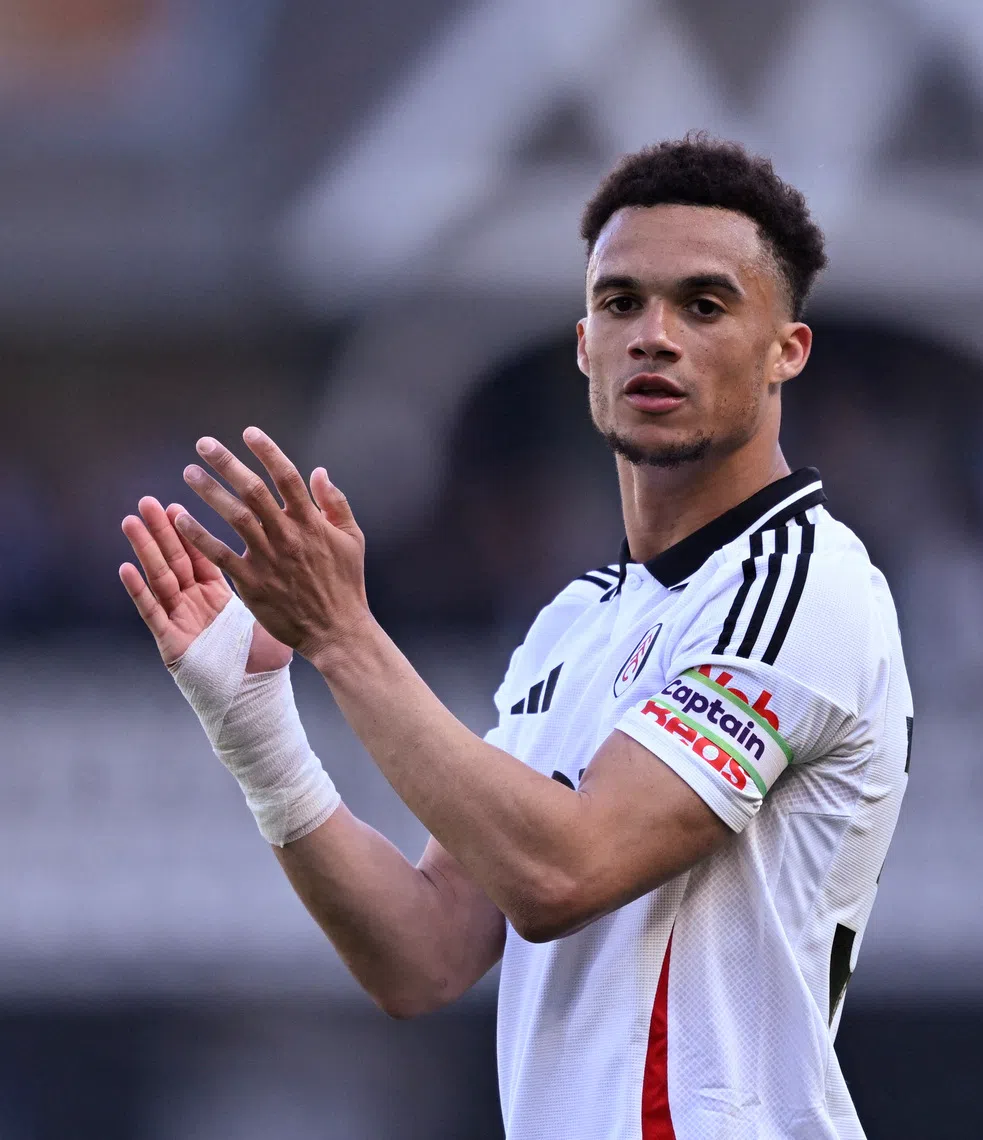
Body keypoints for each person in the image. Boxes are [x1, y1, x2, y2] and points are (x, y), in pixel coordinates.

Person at [119, 136, 912, 1139]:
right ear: (585, 344)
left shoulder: (805, 585)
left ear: (784, 351)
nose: (654, 336)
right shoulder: (575, 623)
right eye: (622, 303)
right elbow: (427, 951)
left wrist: (343, 635)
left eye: (704, 305)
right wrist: (259, 726)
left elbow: (560, 875)